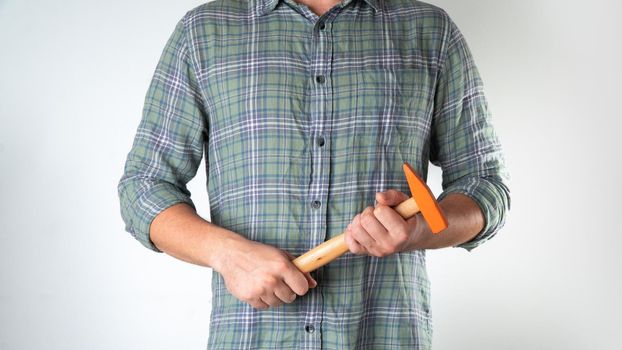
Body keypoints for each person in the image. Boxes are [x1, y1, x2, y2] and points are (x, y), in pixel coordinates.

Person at [117, 0, 511, 348]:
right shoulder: (204, 32)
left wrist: (418, 231)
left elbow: (485, 185)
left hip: (382, 335)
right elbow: (144, 186)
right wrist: (227, 254)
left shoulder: (430, 32)